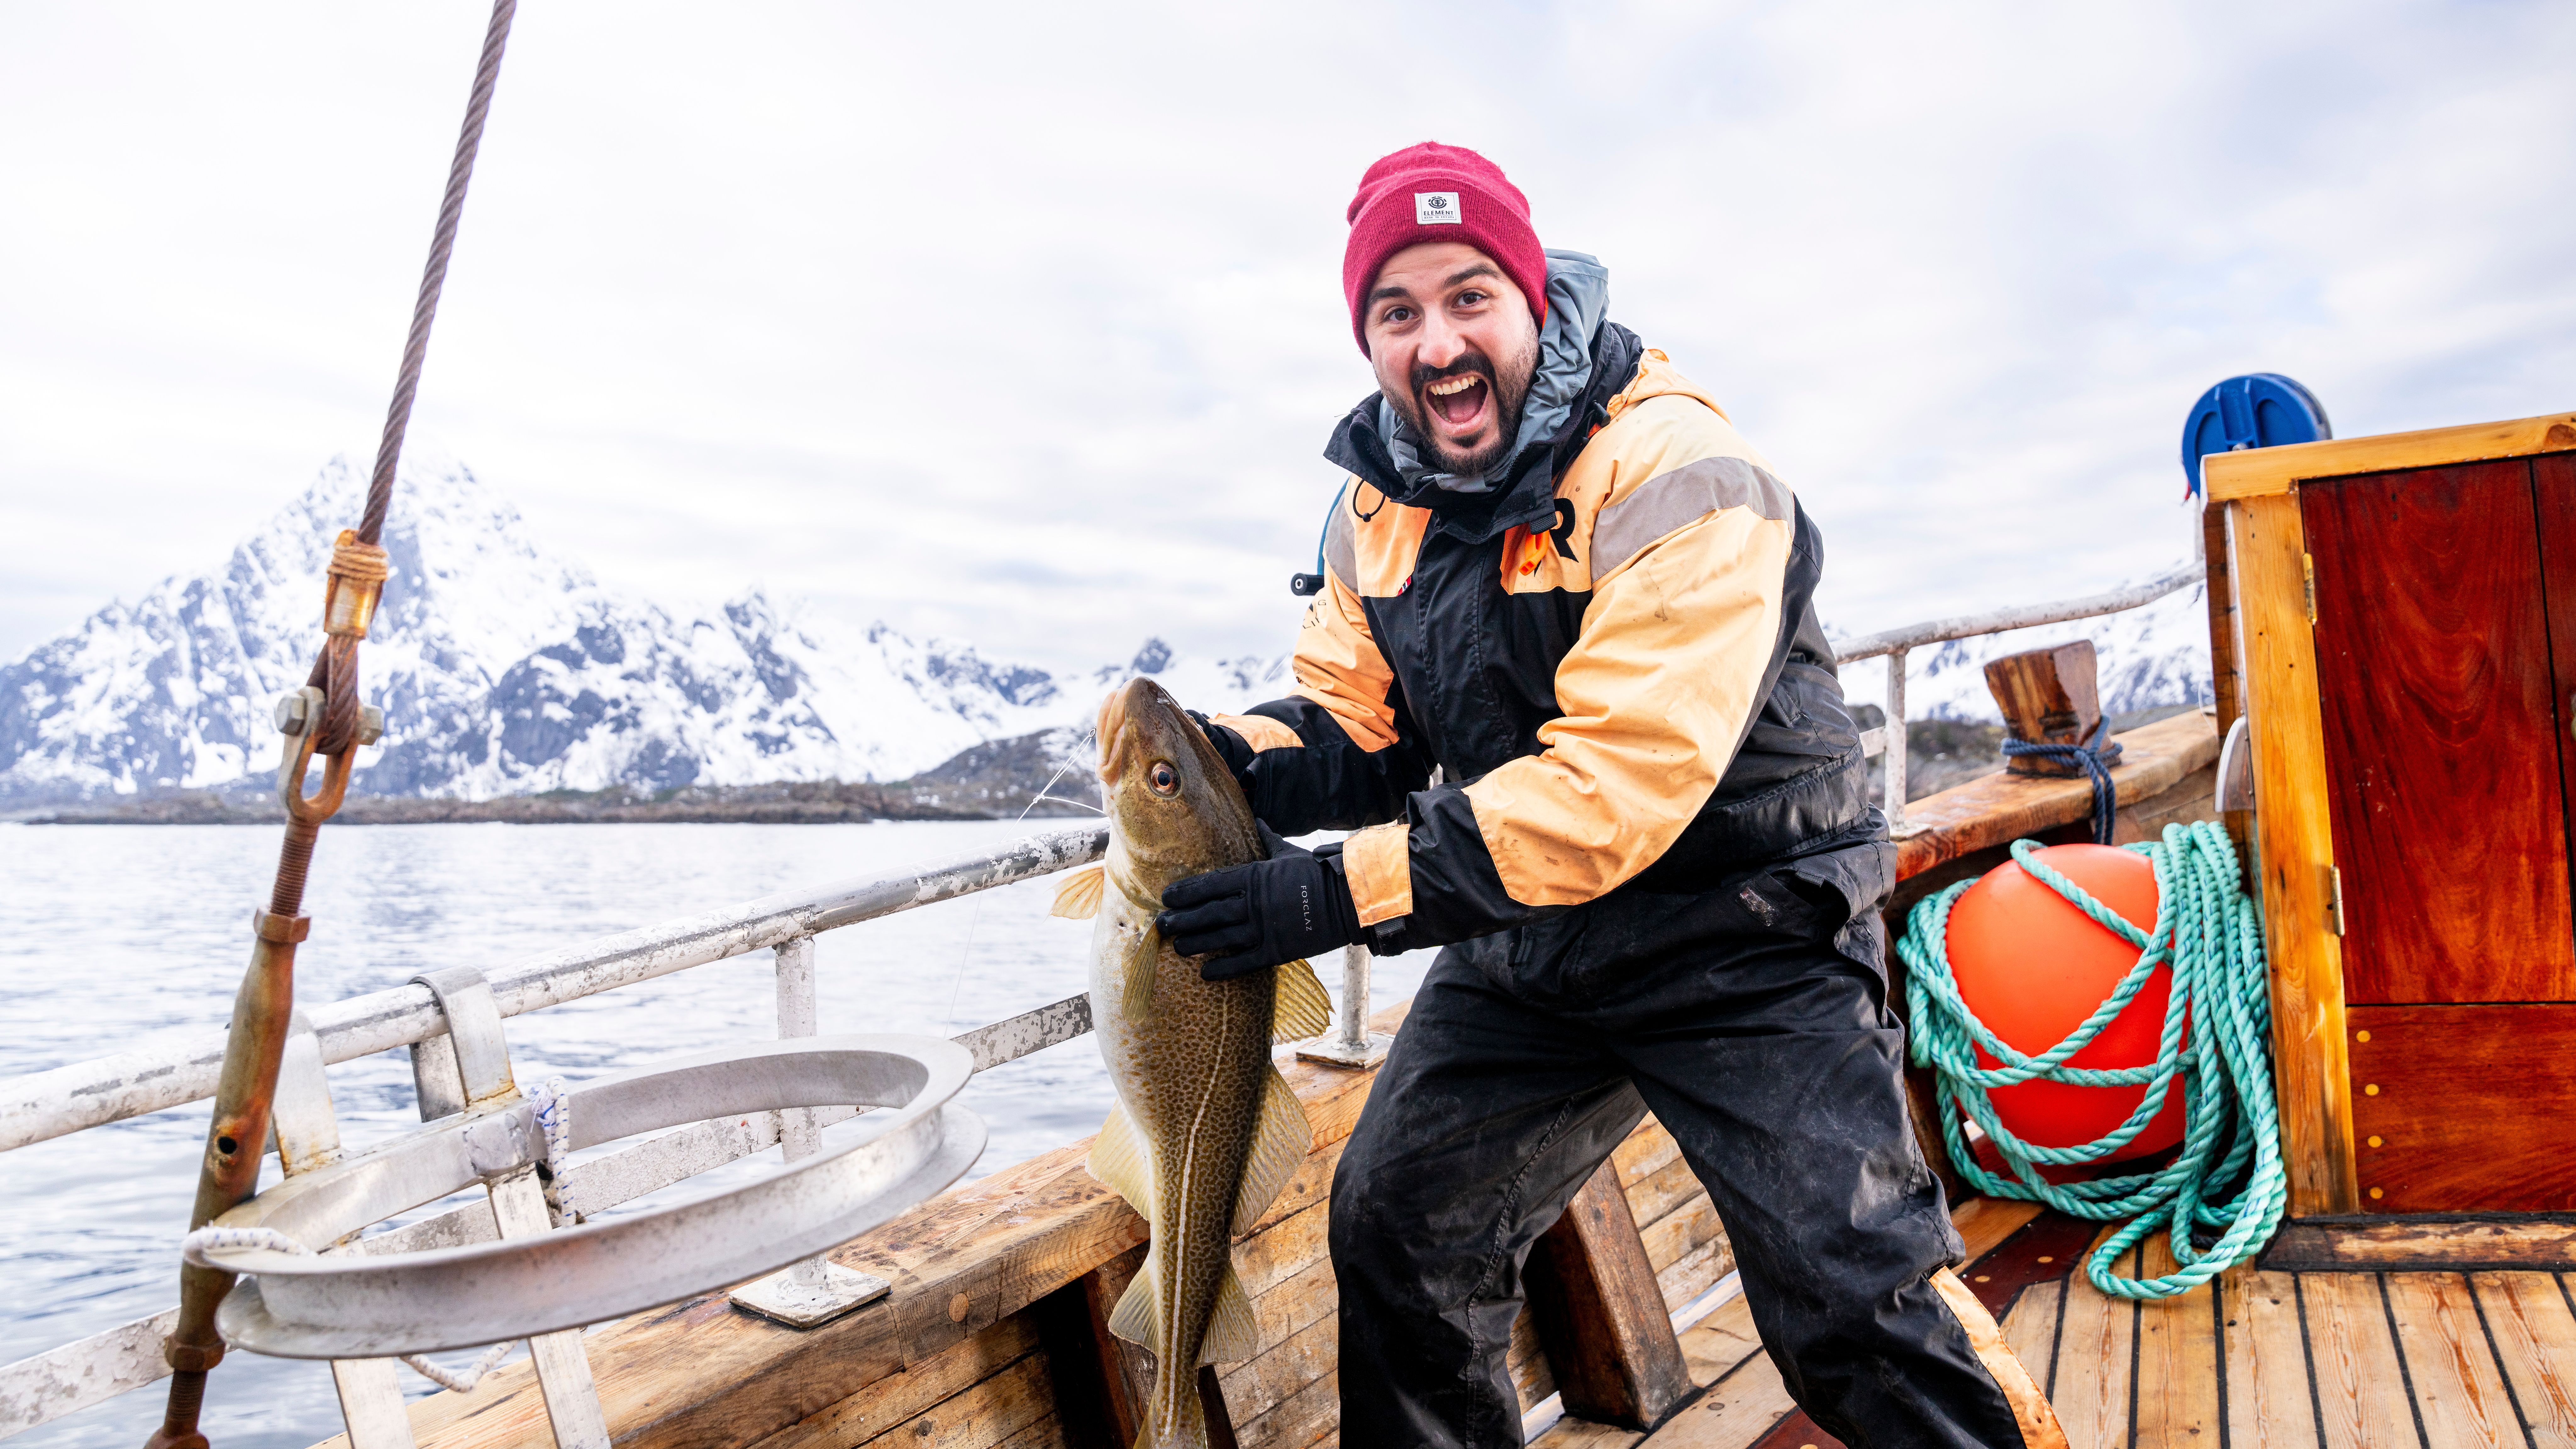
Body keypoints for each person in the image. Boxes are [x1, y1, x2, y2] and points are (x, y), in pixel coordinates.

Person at [1152, 142, 2067, 1449]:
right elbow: (1362, 723)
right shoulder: (1372, 505)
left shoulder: (1676, 469)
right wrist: (1214, 759)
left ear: (1534, 298)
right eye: (1395, 314)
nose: (1438, 342)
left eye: (1469, 295)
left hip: (1739, 932)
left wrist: (1327, 893)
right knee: (1396, 1232)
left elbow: (1617, 784)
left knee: (1850, 1301)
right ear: (1366, 342)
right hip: (1531, 942)